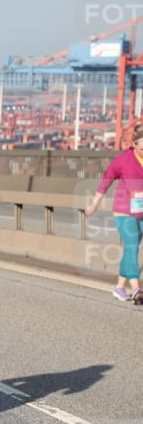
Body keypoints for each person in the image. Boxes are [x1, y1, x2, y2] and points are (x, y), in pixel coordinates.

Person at [86, 127, 143, 302]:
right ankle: (136, 289)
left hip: (141, 211)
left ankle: (119, 287)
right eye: (142, 146)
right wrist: (94, 203)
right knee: (132, 247)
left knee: (129, 250)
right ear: (135, 144)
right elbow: (107, 179)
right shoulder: (123, 160)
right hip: (123, 211)